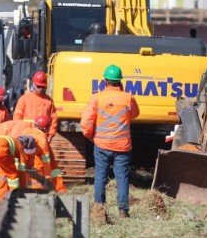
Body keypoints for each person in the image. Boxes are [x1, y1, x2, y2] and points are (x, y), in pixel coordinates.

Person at [81, 65, 139, 218]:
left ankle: (99, 208)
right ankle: (123, 210)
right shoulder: (128, 97)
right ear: (120, 81)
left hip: (101, 145)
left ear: (105, 81)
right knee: (122, 177)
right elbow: (135, 114)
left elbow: (86, 122)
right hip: (123, 146)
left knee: (100, 176)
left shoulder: (97, 97)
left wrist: (91, 137)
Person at [16, 115, 67, 193]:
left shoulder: (26, 131)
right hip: (35, 150)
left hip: (27, 151)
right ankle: (39, 192)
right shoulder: (42, 141)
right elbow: (46, 161)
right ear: (44, 128)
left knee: (26, 169)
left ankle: (25, 189)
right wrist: (47, 177)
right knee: (38, 169)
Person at [13, 71, 58, 141]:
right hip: (26, 136)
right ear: (33, 84)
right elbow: (17, 117)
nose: (40, 89)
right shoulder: (24, 99)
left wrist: (51, 134)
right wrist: (19, 133)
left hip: (42, 136)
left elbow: (54, 119)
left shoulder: (49, 101)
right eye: (38, 86)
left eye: (43, 87)